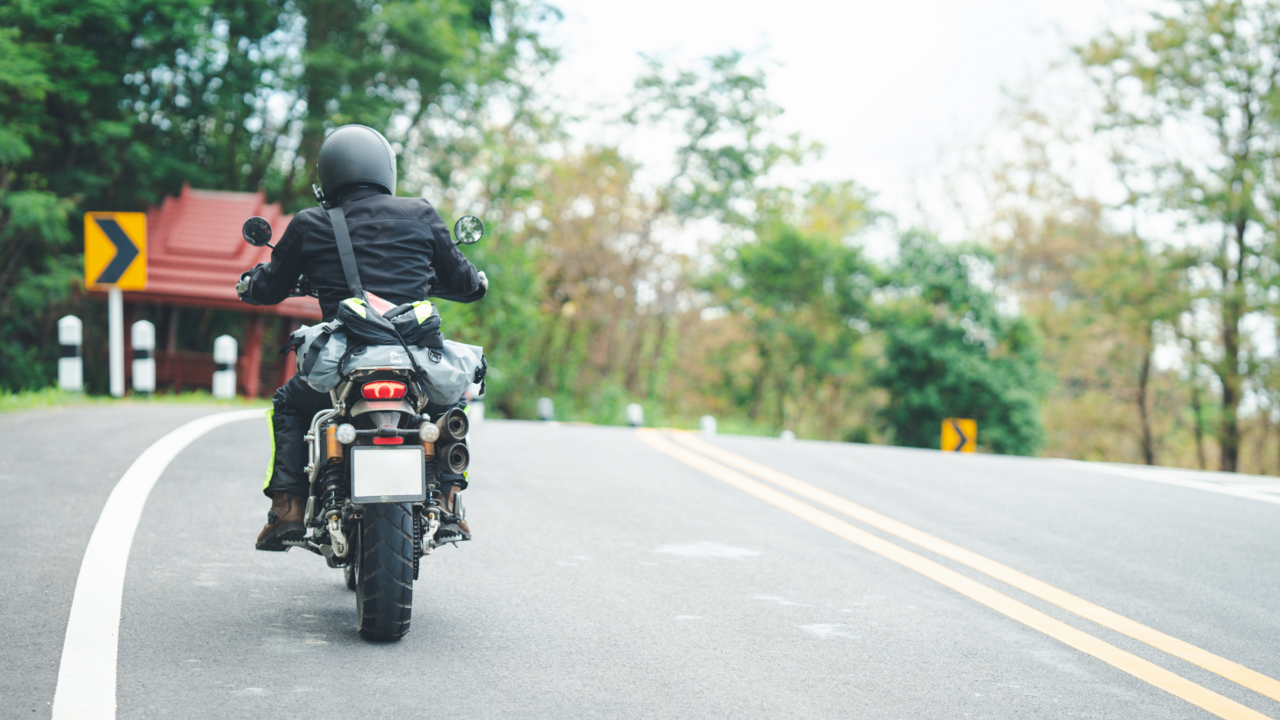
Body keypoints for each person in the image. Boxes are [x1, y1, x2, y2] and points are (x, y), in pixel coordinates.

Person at [236, 124, 486, 551]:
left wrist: (250, 282)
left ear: (328, 175)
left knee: (289, 404)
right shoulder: (422, 214)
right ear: (386, 170)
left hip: (344, 360)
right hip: (414, 362)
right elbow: (466, 284)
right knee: (449, 401)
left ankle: (288, 508)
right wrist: (473, 279)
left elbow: (270, 286)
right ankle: (446, 499)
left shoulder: (311, 222)